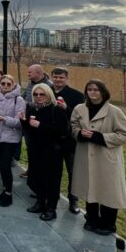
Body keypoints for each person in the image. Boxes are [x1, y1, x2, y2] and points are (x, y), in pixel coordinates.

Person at [71, 80, 126, 235]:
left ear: (103, 92)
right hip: (85, 155)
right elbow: (73, 126)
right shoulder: (79, 109)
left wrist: (99, 137)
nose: (92, 92)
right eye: (89, 89)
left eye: (96, 90)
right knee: (89, 187)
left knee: (108, 191)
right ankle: (91, 219)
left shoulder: (114, 111)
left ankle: (108, 224)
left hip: (106, 157)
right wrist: (79, 133)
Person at [20, 83, 69, 221]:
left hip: (52, 151)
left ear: (48, 95)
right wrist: (23, 121)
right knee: (37, 177)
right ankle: (40, 202)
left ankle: (51, 209)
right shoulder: (33, 108)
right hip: (36, 149)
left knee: (52, 180)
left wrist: (41, 125)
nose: (38, 97)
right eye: (35, 94)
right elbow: (30, 129)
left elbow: (63, 131)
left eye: (42, 94)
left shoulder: (56, 109)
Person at [50, 67, 85, 214]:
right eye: (55, 77)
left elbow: (81, 118)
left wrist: (66, 108)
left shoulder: (76, 95)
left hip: (70, 142)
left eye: (61, 77)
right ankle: (52, 198)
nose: (58, 80)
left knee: (72, 172)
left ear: (66, 78)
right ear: (52, 77)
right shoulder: (47, 92)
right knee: (53, 172)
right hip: (52, 139)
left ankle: (73, 200)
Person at [0, 75, 25, 207]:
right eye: (3, 83)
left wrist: (4, 119)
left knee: (5, 165)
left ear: (13, 85)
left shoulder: (18, 99)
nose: (5, 86)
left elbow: (20, 122)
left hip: (10, 138)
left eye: (9, 84)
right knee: (1, 166)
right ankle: (4, 190)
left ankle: (8, 194)